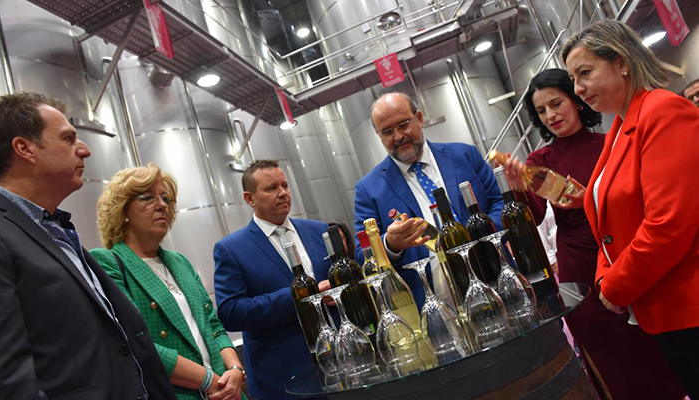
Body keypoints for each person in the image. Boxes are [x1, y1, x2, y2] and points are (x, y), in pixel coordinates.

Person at [500, 68, 685, 400]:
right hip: (580, 269)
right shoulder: (541, 159)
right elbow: (534, 217)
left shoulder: (612, 142)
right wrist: (519, 190)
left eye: (556, 103)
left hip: (628, 255)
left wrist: (593, 202)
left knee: (655, 351)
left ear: (576, 100)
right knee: (610, 361)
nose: (550, 116)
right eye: (541, 111)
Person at [0, 92, 177, 399]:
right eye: (68, 139)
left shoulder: (53, 228)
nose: (85, 150)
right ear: (25, 148)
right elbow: (10, 379)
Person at [561, 20, 699, 397]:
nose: (578, 89)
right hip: (662, 308)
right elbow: (608, 222)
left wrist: (617, 285)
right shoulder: (621, 127)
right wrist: (605, 277)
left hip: (688, 303)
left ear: (621, 62)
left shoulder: (663, 111)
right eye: (573, 79)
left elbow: (668, 225)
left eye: (585, 73)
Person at [90, 164, 247, 400]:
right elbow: (134, 342)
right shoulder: (107, 262)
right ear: (123, 209)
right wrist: (209, 381)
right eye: (148, 198)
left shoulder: (179, 261)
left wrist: (235, 370)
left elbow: (213, 325)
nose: (162, 205)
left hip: (227, 390)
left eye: (166, 199)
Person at [353, 92, 505, 309]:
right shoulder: (368, 190)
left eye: (403, 124)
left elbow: (498, 202)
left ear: (420, 118)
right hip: (434, 304)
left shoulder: (464, 155)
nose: (398, 136)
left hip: (496, 273)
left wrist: (481, 233)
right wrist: (390, 244)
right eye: (387, 131)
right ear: (379, 135)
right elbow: (363, 254)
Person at [214, 160, 333, 400]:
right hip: (282, 374)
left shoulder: (319, 230)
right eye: (271, 188)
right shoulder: (232, 249)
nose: (283, 193)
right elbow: (230, 312)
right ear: (249, 198)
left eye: (285, 185)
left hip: (339, 361)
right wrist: (298, 297)